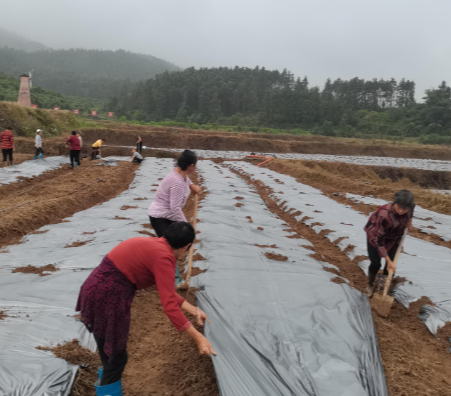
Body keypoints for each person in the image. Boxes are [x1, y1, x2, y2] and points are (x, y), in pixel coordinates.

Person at [75, 222, 216, 395]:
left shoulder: (154, 245)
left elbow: (167, 292)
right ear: (186, 246)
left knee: (110, 354)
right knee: (116, 359)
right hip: (108, 299)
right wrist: (198, 337)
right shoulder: (164, 258)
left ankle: (106, 382)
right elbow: (169, 306)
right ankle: (107, 388)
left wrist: (193, 310)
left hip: (94, 290)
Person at [148, 150, 201, 285]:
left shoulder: (180, 173)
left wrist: (192, 186)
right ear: (191, 166)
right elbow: (175, 208)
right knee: (170, 247)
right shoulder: (176, 182)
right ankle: (175, 281)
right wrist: (187, 226)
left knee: (171, 246)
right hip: (160, 216)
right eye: (195, 165)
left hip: (169, 215)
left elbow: (186, 179)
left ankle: (159, 270)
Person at [364, 190, 415, 298]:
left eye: (404, 209)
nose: (401, 211)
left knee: (390, 267)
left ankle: (382, 287)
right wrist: (387, 259)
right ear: (394, 203)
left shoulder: (408, 208)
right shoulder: (384, 215)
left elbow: (412, 208)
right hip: (376, 237)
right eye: (398, 207)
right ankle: (370, 284)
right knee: (376, 263)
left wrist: (410, 222)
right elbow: (379, 240)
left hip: (394, 238)